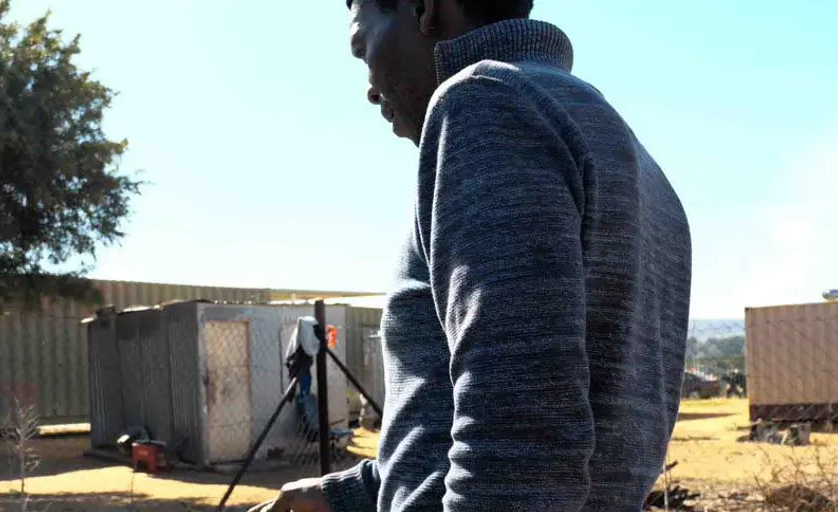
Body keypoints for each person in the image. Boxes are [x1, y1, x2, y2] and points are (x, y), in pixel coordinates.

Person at [250, 1, 692, 511]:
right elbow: (503, 424)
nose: (370, 87)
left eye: (362, 48)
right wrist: (345, 496)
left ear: (426, 9)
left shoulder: (485, 104)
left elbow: (520, 449)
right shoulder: (616, 143)